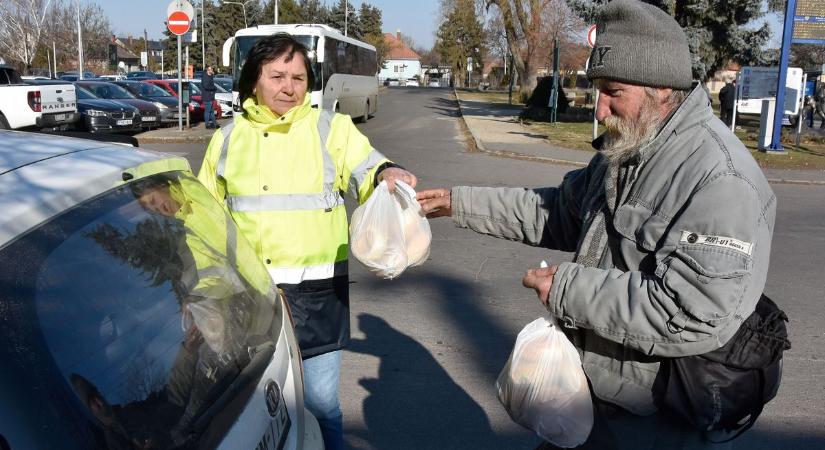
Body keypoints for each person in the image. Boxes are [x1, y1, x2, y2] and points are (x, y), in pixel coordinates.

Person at [418, 1, 775, 448]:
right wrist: (458, 202)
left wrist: (566, 288)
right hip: (590, 395)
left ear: (662, 88)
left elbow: (692, 311)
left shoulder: (721, 180)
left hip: (651, 420)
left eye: (613, 91)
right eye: (596, 89)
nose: (599, 109)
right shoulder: (629, 147)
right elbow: (558, 212)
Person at [197, 34, 417, 450]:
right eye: (277, 76)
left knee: (321, 405)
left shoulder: (330, 128)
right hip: (249, 297)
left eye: (298, 77)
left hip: (318, 295)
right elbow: (204, 223)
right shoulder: (226, 140)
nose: (288, 87)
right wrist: (206, 289)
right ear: (254, 81)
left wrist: (387, 173)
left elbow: (365, 166)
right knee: (253, 407)